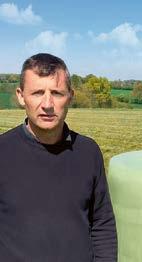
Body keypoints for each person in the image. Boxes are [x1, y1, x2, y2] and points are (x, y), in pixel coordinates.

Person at [0, 53, 117, 261]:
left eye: (56, 93)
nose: (47, 104)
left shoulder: (88, 152)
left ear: (70, 96)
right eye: (37, 93)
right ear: (20, 96)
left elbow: (102, 224)